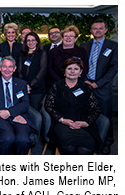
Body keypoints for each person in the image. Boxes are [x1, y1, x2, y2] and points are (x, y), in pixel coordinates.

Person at [44, 58, 101, 153]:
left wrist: (86, 123)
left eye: (76, 69)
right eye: (69, 68)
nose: (72, 71)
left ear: (81, 72)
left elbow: (96, 108)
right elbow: (49, 106)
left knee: (85, 150)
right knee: (68, 148)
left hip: (83, 125)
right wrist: (62, 120)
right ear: (64, 71)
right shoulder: (56, 86)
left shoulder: (87, 87)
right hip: (62, 124)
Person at [84, 19, 118, 149]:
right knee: (87, 114)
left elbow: (114, 68)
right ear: (91, 31)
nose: (97, 31)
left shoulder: (113, 46)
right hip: (86, 84)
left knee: (105, 115)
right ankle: (91, 139)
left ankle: (107, 142)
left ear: (105, 30)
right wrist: (85, 81)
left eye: (100, 28)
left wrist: (98, 84)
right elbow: (81, 65)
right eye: (94, 28)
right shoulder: (85, 45)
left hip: (102, 87)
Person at [0, 56, 31, 154]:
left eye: (10, 67)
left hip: (20, 116)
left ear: (14, 69)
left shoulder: (22, 84)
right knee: (8, 138)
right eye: (4, 67)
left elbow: (25, 104)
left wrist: (10, 112)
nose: (7, 70)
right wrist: (11, 116)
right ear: (0, 68)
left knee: (23, 139)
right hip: (1, 118)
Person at [20, 32, 47, 109]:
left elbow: (42, 71)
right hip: (23, 88)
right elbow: (19, 71)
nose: (30, 42)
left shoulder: (42, 53)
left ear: (37, 41)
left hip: (37, 89)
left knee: (35, 112)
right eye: (28, 40)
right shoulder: (22, 54)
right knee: (24, 110)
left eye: (33, 40)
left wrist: (30, 85)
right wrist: (24, 85)